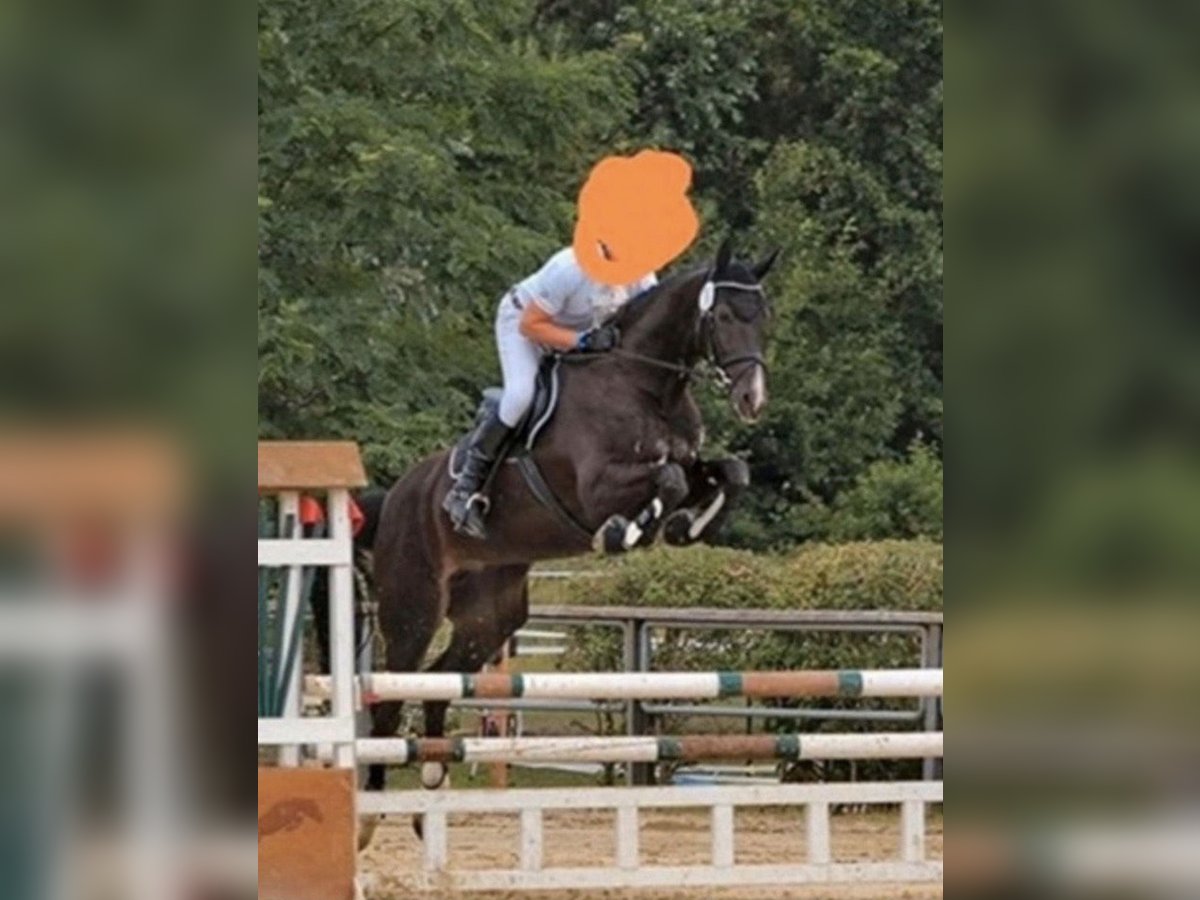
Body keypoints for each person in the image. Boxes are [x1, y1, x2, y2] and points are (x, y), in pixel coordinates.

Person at [443, 244, 658, 539]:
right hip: (525, 326)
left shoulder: (642, 273)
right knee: (522, 395)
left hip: (581, 334)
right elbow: (531, 325)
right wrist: (583, 341)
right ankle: (466, 487)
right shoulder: (570, 267)